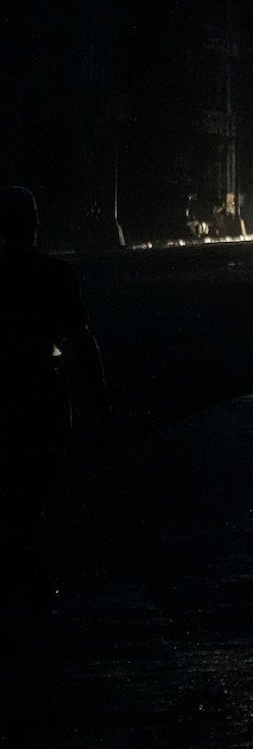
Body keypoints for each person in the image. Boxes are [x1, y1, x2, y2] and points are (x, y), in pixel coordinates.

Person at [0, 186, 109, 619]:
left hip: (13, 390)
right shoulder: (56, 273)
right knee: (31, 489)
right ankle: (32, 581)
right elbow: (82, 338)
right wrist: (97, 393)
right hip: (42, 391)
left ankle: (28, 577)